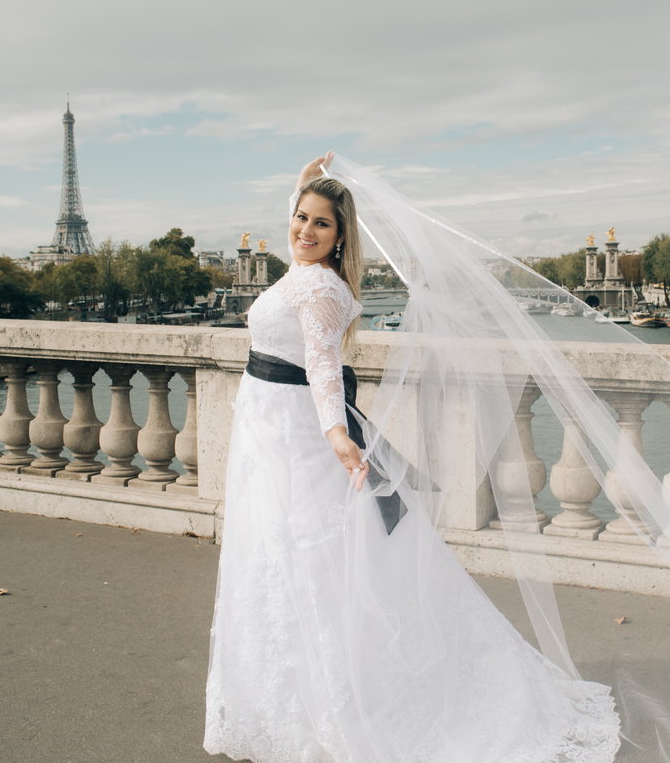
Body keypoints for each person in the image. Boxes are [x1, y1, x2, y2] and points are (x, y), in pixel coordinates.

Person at [204, 153, 623, 763]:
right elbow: (303, 240)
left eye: (321, 224)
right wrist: (303, 186)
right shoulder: (302, 268)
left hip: (296, 436)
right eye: (299, 218)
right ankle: (298, 698)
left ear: (341, 235)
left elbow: (323, 366)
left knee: (301, 561)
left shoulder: (319, 285)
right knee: (292, 560)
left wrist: (335, 435)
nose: (303, 230)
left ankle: (317, 704)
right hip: (270, 430)